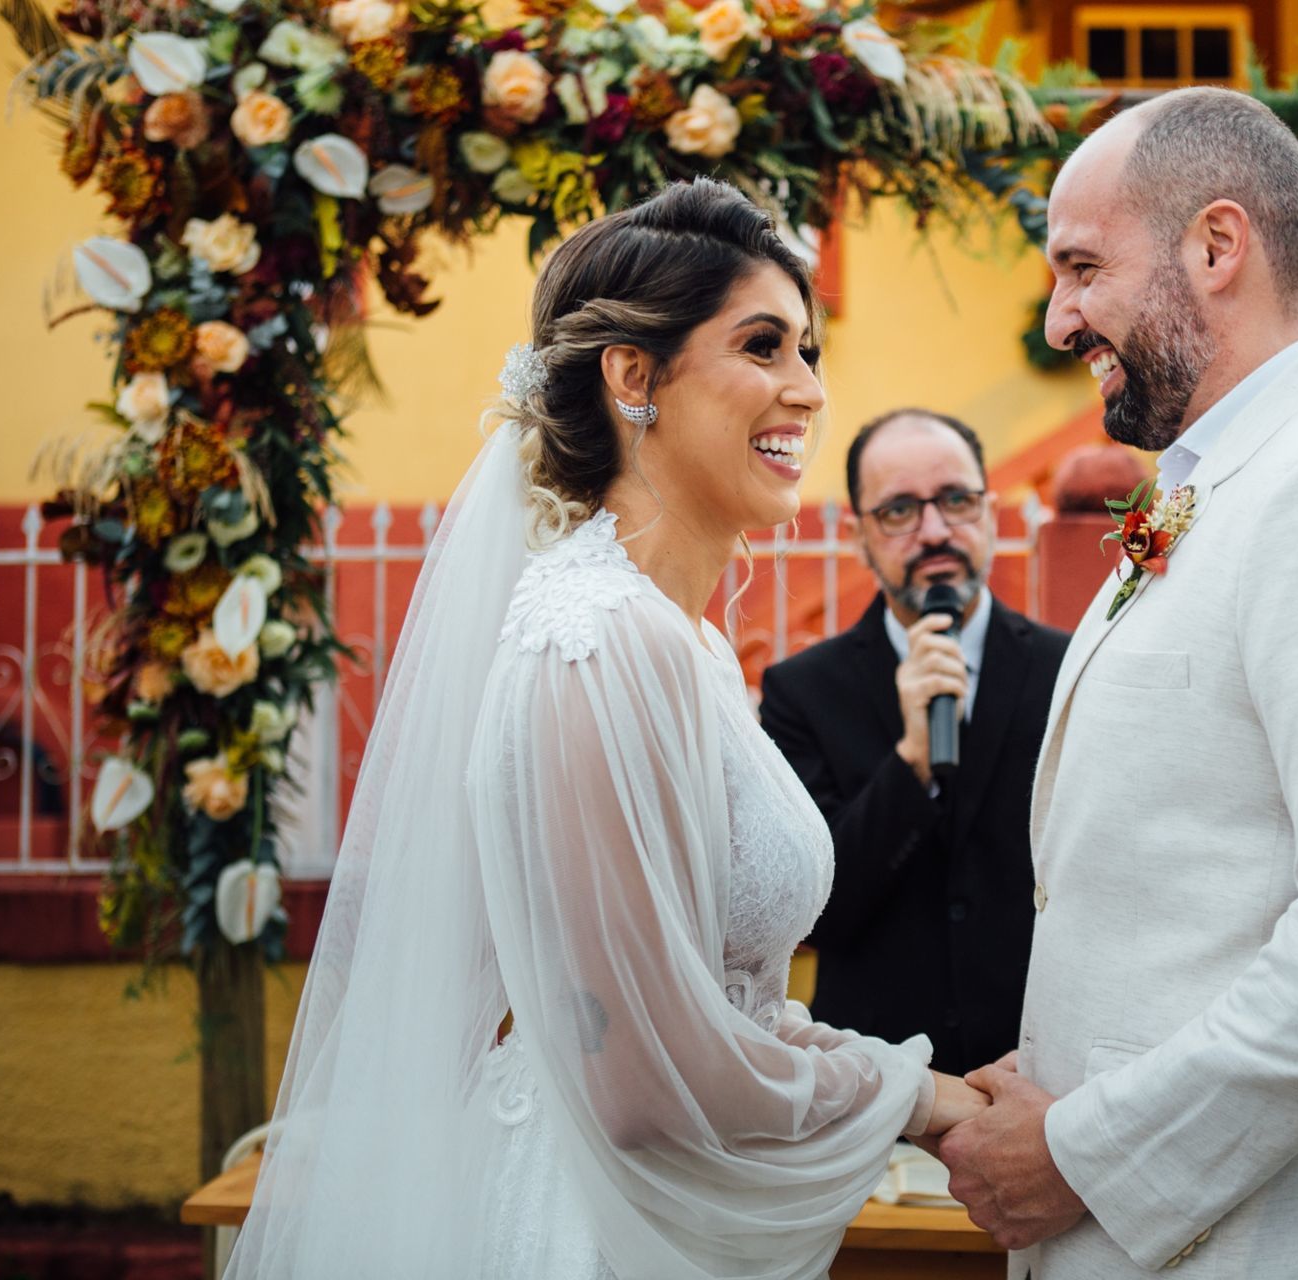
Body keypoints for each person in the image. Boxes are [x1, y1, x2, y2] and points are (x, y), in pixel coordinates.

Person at [224, 179, 988, 1280]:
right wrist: (919, 1095)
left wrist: (920, 1079)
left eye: (810, 352)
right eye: (763, 345)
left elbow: (726, 1006)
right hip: (587, 1229)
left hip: (682, 1214)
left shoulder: (684, 641)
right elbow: (639, 1072)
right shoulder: (591, 642)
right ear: (634, 377)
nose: (806, 390)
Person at [933, 88, 1298, 1279]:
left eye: (1082, 267)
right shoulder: (1222, 486)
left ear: (1216, 245)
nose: (1058, 320)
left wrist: (1083, 1148)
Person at [759, 409, 1069, 1075]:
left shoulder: (1068, 674)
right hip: (873, 1087)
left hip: (1038, 1081)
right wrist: (912, 765)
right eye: (900, 509)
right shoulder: (801, 693)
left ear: (990, 512)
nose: (934, 531)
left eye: (956, 500)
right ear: (860, 537)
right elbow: (813, 918)